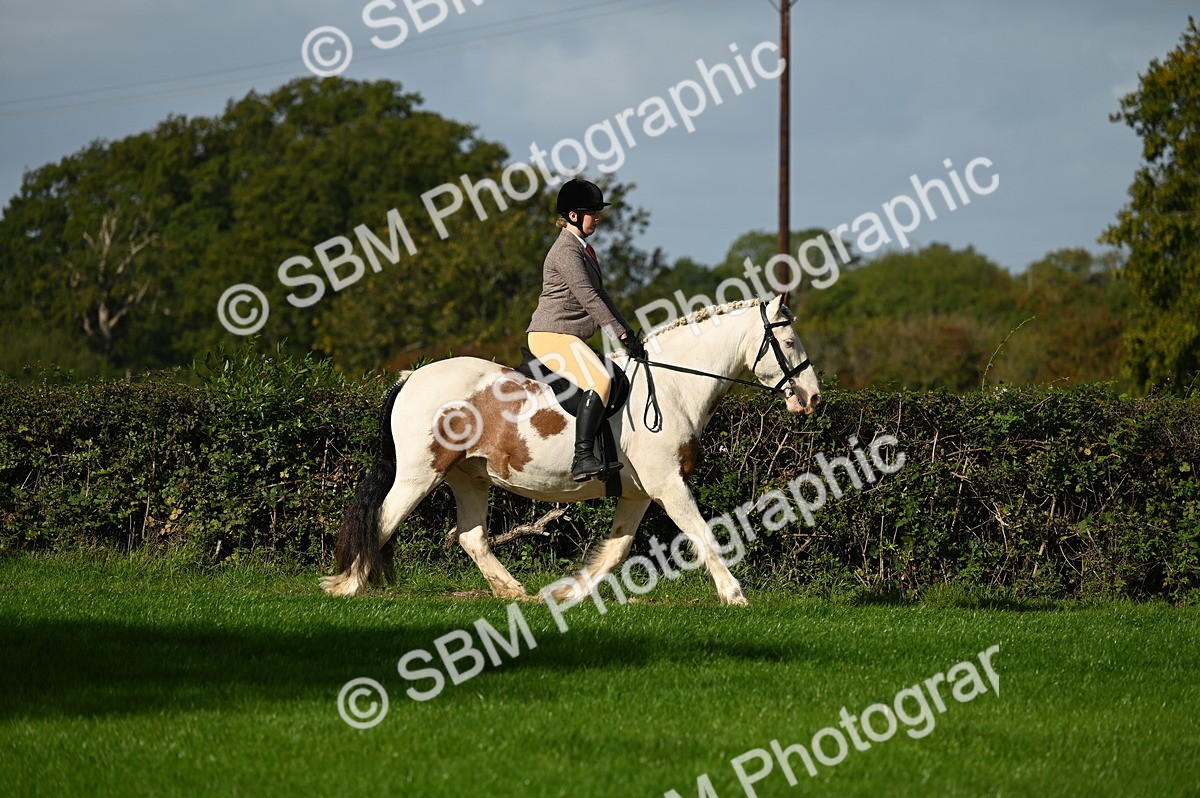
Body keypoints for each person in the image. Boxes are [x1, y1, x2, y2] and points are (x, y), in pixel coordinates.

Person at [527, 178, 647, 482]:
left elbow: (602, 295)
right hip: (551, 335)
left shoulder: (583, 249)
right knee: (600, 381)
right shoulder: (566, 251)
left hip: (567, 336)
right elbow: (589, 298)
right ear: (573, 216)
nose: (598, 217)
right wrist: (620, 335)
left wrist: (627, 332)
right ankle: (582, 458)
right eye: (592, 212)